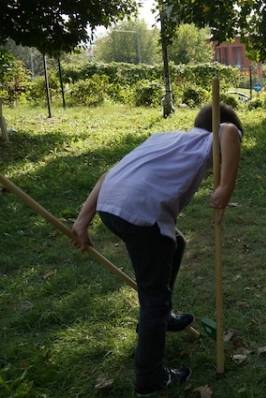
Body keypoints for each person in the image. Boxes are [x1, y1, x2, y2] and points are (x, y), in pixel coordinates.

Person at [71, 103, 243, 396]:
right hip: (141, 212)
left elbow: (109, 174)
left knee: (174, 243)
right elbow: (228, 131)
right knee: (154, 299)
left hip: (112, 206)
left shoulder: (166, 138)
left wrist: (82, 220)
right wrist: (226, 186)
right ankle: (150, 377)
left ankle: (161, 320)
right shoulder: (212, 137)